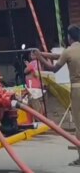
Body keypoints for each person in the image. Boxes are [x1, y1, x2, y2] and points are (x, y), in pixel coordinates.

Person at [34, 24, 80, 167]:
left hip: (77, 90)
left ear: (69, 37)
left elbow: (54, 68)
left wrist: (39, 58)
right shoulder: (72, 51)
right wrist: (42, 53)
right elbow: (57, 56)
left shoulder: (68, 51)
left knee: (79, 126)